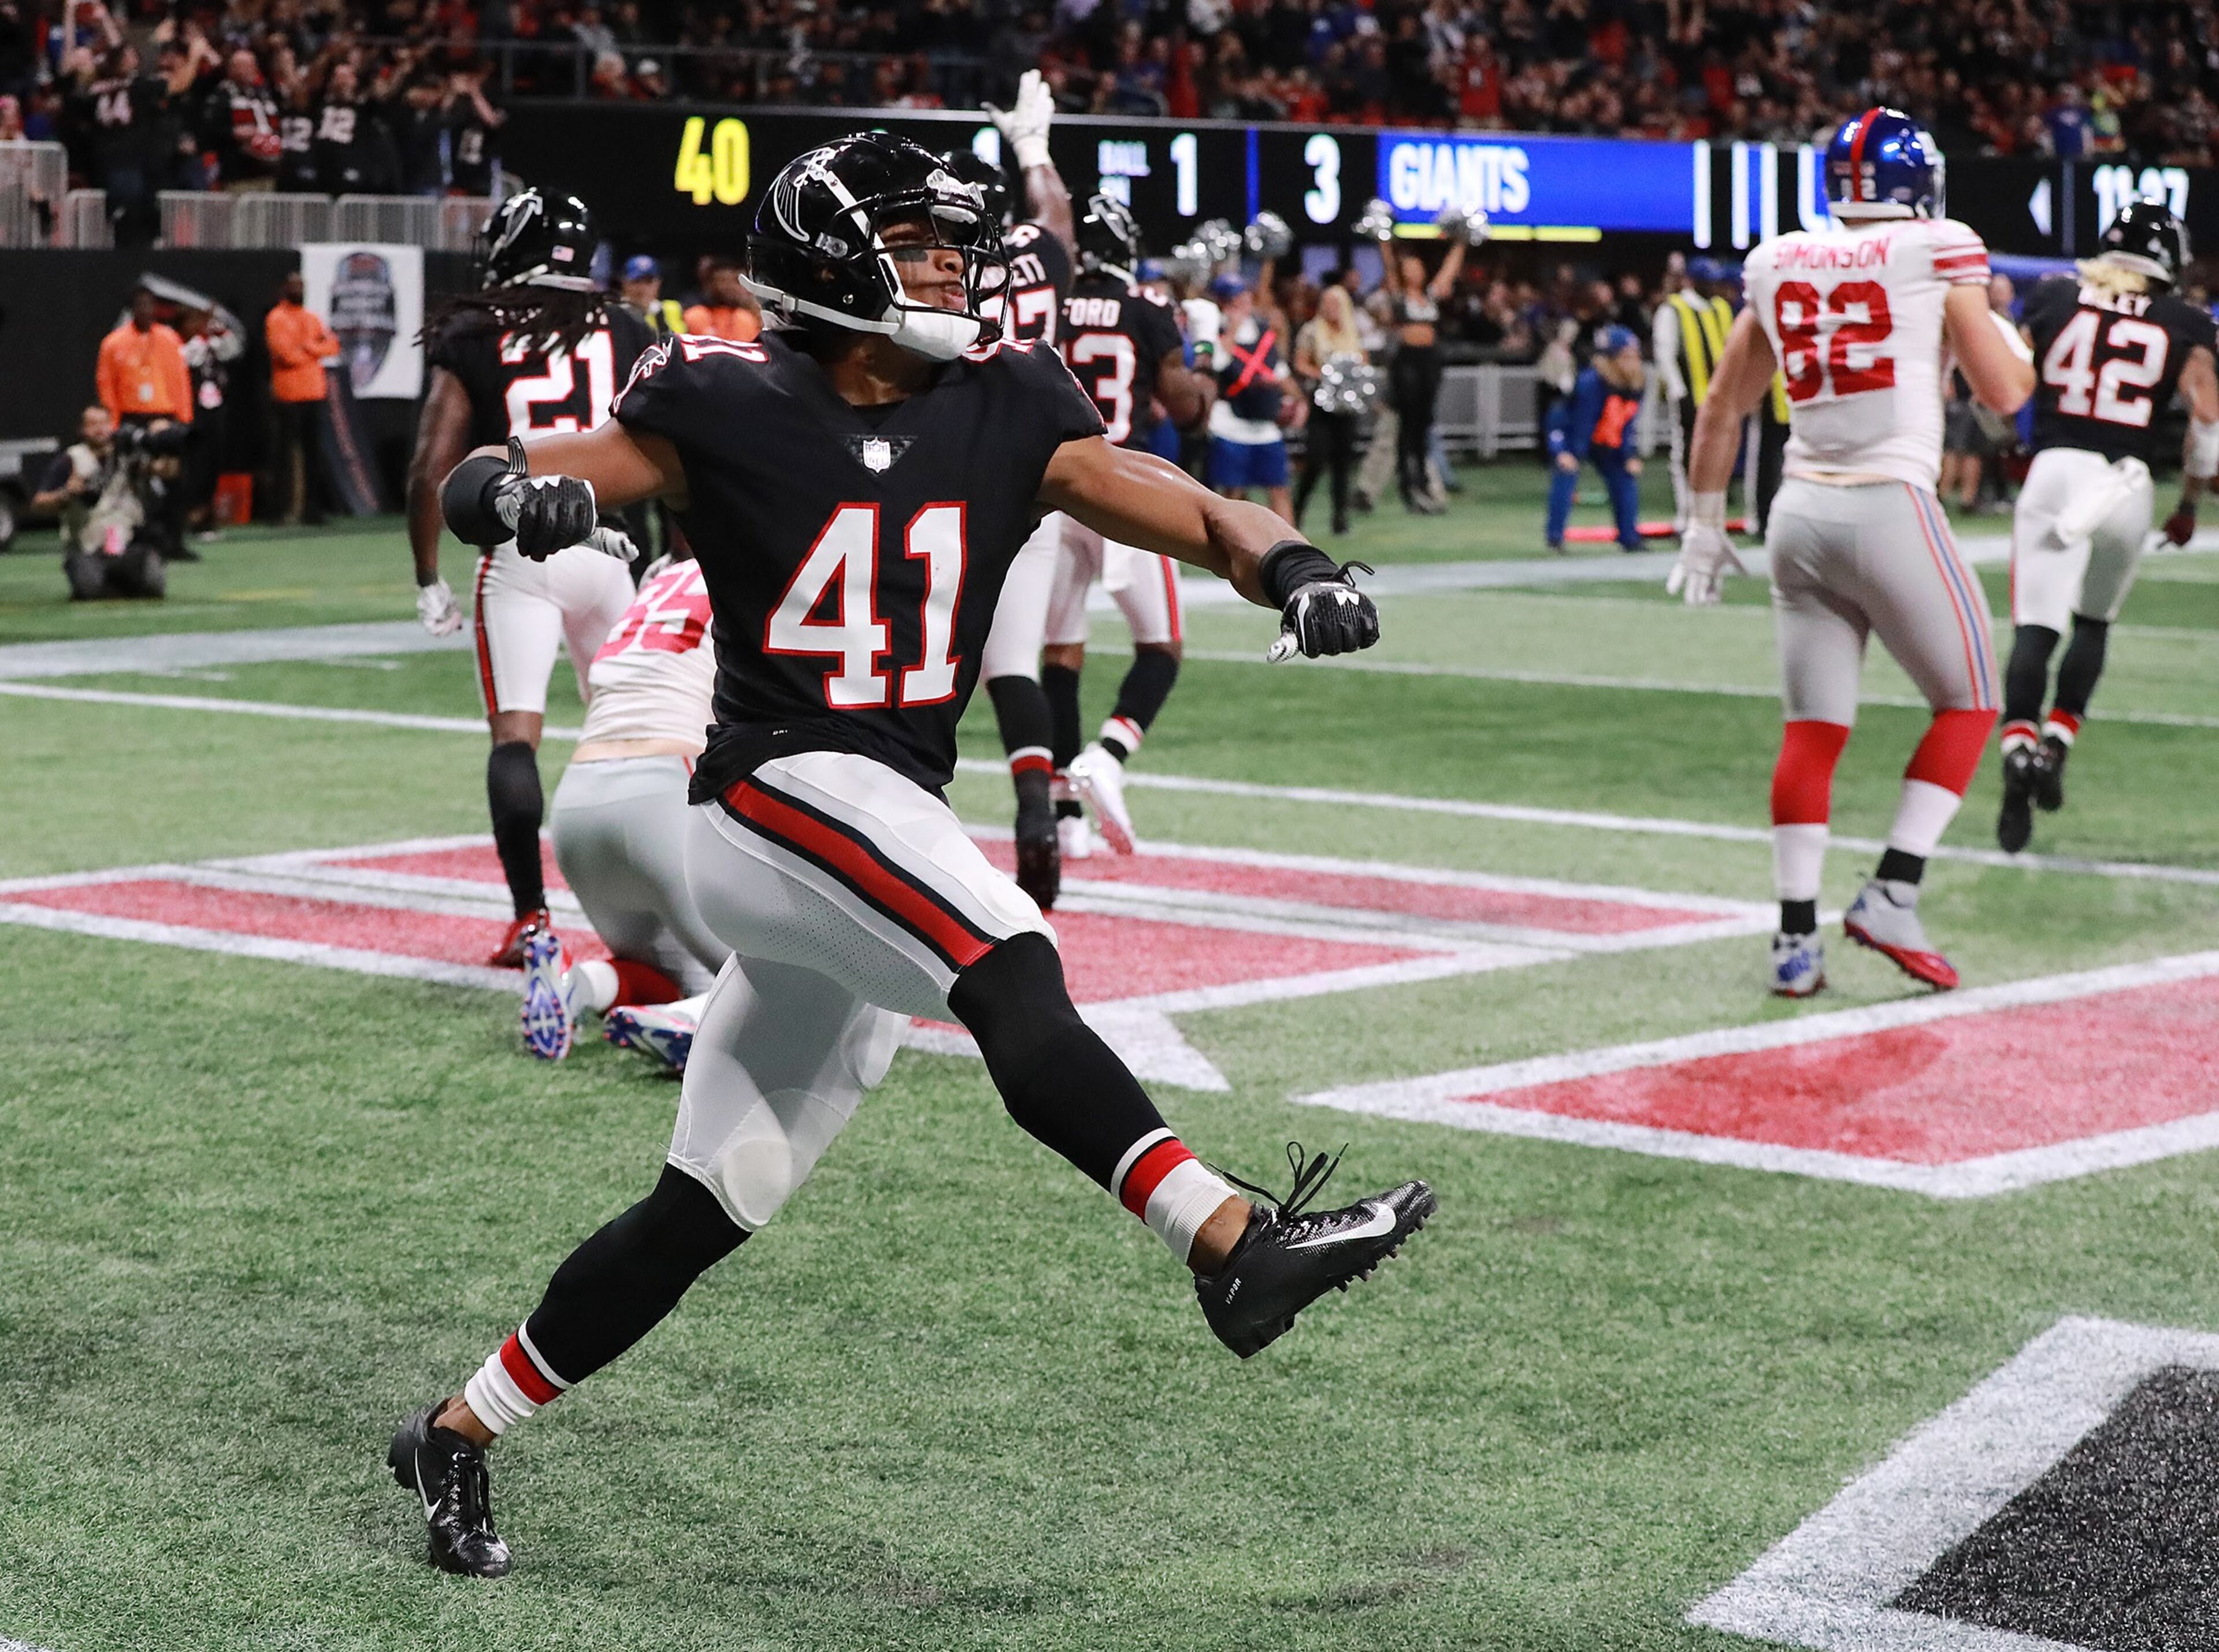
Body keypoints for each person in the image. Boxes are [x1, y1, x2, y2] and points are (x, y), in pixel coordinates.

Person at [387, 132, 1430, 1578]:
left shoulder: (1003, 400)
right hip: (763, 798)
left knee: (706, 1203)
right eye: (917, 239)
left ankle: (453, 1428)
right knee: (1007, 951)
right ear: (828, 256)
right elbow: (488, 470)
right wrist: (512, 497)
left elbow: (1176, 496)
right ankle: (1229, 1239)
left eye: (955, 241)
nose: (952, 264)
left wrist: (1291, 563)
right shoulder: (718, 394)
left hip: (877, 818)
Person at [1668, 107, 2034, 998]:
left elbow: (1722, 407)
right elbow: (2006, 390)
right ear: (1922, 185)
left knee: (1813, 731)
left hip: (1797, 514)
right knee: (1975, 700)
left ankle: (1795, 942)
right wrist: (1997, 325)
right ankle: (1893, 892)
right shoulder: (1938, 246)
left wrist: (1704, 523)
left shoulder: (1777, 257)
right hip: (1889, 502)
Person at [406, 191, 653, 967]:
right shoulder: (631, 326)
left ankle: (532, 920)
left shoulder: (476, 329)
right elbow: (680, 449)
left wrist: (426, 576)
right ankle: (673, 910)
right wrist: (684, 561)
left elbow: (429, 466)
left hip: (521, 544)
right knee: (652, 740)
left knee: (517, 735)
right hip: (622, 552)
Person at [1997, 201, 2219, 852]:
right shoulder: (2183, 320)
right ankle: (2058, 744)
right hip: (2125, 483)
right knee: (2093, 624)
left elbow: (1999, 385)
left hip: (2055, 469)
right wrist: (2190, 505)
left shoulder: (2053, 294)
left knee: (2036, 628)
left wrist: (2007, 443)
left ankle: (2017, 749)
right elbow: (2207, 421)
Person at [1041, 192, 1214, 861]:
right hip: (1120, 483)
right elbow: (1187, 407)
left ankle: (1062, 815)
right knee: (1162, 643)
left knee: (1060, 652)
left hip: (1056, 487)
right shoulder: (1146, 309)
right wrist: (1207, 355)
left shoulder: (1050, 303)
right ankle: (1110, 753)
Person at [523, 553, 729, 1068]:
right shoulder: (760, 571)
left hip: (577, 804)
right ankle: (695, 1024)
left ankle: (579, 986)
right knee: (789, 983)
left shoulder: (658, 583)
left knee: (673, 978)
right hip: (664, 792)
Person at [955, 69, 1079, 907]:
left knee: (922, 653)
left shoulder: (938, 269)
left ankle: (905, 807)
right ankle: (1036, 803)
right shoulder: (1038, 252)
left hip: (952, 475)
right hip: (1039, 478)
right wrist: (1035, 148)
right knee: (1017, 666)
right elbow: (1058, 220)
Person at [1376, 221, 1468, 514]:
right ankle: (1409, 484)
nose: (1414, 272)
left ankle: (1424, 482)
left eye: (1418, 268)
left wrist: (1462, 242)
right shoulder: (1398, 295)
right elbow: (1389, 265)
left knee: (1424, 423)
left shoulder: (1430, 296)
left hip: (1430, 360)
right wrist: (1383, 240)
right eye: (1409, 268)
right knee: (1408, 424)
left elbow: (1449, 271)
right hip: (1407, 361)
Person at [30, 403, 166, 600]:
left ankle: (117, 583)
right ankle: (113, 585)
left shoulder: (127, 455)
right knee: (90, 588)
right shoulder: (72, 459)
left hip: (126, 546)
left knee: (154, 582)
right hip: (88, 548)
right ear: (82, 429)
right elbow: (38, 503)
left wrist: (164, 444)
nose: (100, 429)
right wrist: (66, 494)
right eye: (93, 424)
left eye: (104, 423)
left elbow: (166, 471)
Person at [1201, 273, 1295, 521]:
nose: (1242, 303)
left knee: (1278, 488)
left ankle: (1295, 547)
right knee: (1233, 492)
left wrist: (1298, 399)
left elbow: (1278, 368)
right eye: (1235, 299)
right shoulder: (1215, 330)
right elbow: (1219, 364)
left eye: (1244, 297)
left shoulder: (1262, 330)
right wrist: (1231, 330)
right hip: (1230, 423)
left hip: (1264, 422)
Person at [1545, 325, 1645, 553]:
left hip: (1608, 442)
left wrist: (1629, 454)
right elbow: (1565, 419)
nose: (1633, 362)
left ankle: (1629, 537)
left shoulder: (1635, 384)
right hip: (1576, 439)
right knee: (1566, 474)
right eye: (1625, 357)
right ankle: (1555, 537)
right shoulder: (1590, 383)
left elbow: (1627, 423)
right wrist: (1561, 450)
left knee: (1625, 477)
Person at [1654, 257, 1738, 529]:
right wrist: (1678, 392)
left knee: (1719, 456)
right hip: (1690, 397)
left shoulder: (1720, 309)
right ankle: (1687, 516)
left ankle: (1712, 515)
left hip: (1720, 398)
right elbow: (1665, 354)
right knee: (1686, 456)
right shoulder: (1674, 309)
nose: (1712, 287)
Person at [1293, 283, 1370, 536]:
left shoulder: (1352, 332)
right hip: (1321, 403)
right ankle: (1297, 510)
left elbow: (1362, 361)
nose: (1331, 308)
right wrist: (1326, 375)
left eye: (1336, 303)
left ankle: (1340, 518)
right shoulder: (1312, 331)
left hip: (1346, 406)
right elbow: (1300, 364)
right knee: (1315, 459)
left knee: (1343, 464)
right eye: (1327, 303)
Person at [265, 270, 339, 526]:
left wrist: (307, 348)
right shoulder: (276, 318)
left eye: (301, 285)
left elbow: (333, 346)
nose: (298, 289)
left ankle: (313, 510)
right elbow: (285, 355)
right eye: (294, 285)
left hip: (314, 394)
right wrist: (313, 350)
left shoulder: (312, 318)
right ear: (285, 288)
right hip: (287, 396)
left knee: (313, 456)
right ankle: (279, 511)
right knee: (283, 457)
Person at [96, 285, 191, 433]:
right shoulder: (113, 343)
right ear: (132, 309)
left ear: (155, 307)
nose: (145, 310)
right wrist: (113, 423)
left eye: (149, 305)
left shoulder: (170, 339)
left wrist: (184, 419)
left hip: (165, 416)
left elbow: (181, 381)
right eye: (140, 305)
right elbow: (106, 384)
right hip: (130, 417)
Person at [198, 47, 279, 190]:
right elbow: (208, 129)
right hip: (238, 173)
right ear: (231, 69)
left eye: (250, 65)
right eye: (241, 65)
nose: (246, 70)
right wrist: (234, 132)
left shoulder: (266, 92)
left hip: (268, 171)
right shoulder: (222, 95)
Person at [680, 254, 762, 342]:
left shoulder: (746, 318)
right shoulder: (696, 315)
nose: (727, 287)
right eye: (722, 281)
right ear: (710, 284)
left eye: (731, 282)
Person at [619, 253, 684, 337]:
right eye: (637, 281)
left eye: (648, 282)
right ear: (624, 283)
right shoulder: (615, 313)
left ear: (658, 283)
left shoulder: (671, 310)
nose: (642, 288)